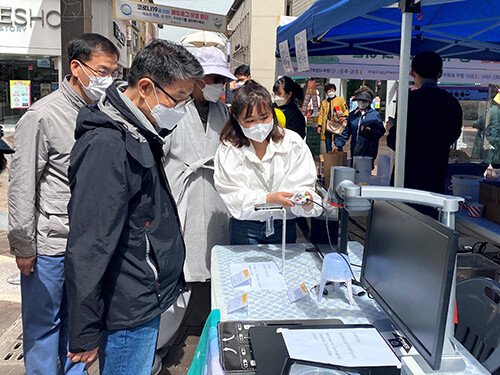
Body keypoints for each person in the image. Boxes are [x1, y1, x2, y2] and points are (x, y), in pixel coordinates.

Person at [64, 40, 204, 374]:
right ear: (145, 87)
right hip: (127, 304)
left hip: (142, 294)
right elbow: (90, 242)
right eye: (180, 98)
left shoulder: (138, 128)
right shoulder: (107, 144)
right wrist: (84, 330)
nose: (183, 108)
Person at [8, 33, 119, 375]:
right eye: (102, 70)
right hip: (51, 245)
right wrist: (23, 245)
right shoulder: (43, 116)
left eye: (114, 72)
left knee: (79, 326)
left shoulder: (102, 111)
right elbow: (21, 185)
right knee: (44, 327)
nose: (108, 80)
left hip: (87, 246)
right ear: (76, 67)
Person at [155, 46, 234, 371]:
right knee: (176, 279)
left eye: (222, 80)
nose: (220, 86)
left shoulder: (223, 113)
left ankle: (222, 343)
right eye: (214, 79)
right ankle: (154, 345)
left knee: (218, 272)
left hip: (215, 200)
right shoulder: (172, 109)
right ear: (197, 78)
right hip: (181, 199)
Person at [214, 80, 322, 245]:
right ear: (236, 118)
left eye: (264, 117)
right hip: (245, 227)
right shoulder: (229, 149)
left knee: (284, 269)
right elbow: (233, 195)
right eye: (250, 121)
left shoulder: (292, 142)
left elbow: (303, 183)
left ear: (272, 112)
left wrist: (304, 199)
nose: (258, 125)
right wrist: (269, 198)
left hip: (284, 224)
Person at [387, 51, 462, 197]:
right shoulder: (451, 102)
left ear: (412, 72)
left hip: (406, 178)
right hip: (435, 177)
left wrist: (391, 128)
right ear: (440, 73)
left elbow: (396, 141)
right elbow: (453, 136)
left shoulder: (409, 101)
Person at [334, 86, 385, 165]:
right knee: (355, 169)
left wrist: (370, 131)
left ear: (369, 102)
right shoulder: (352, 115)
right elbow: (347, 132)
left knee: (365, 171)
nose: (361, 103)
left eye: (364, 101)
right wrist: (338, 144)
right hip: (355, 149)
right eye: (359, 100)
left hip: (369, 150)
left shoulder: (375, 115)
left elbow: (381, 131)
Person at [317, 83, 349, 152]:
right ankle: (329, 158)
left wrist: (344, 117)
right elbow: (321, 114)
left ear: (334, 90)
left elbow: (346, 109)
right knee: (327, 143)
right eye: (329, 90)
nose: (330, 92)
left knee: (337, 142)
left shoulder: (340, 100)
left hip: (337, 124)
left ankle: (340, 156)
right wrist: (320, 125)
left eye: (332, 90)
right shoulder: (324, 102)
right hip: (327, 125)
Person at [472, 92, 500, 167]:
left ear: (491, 100)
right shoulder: (498, 110)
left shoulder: (490, 111)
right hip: (497, 140)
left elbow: (480, 122)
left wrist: (474, 123)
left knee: (486, 162)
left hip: (488, 139)